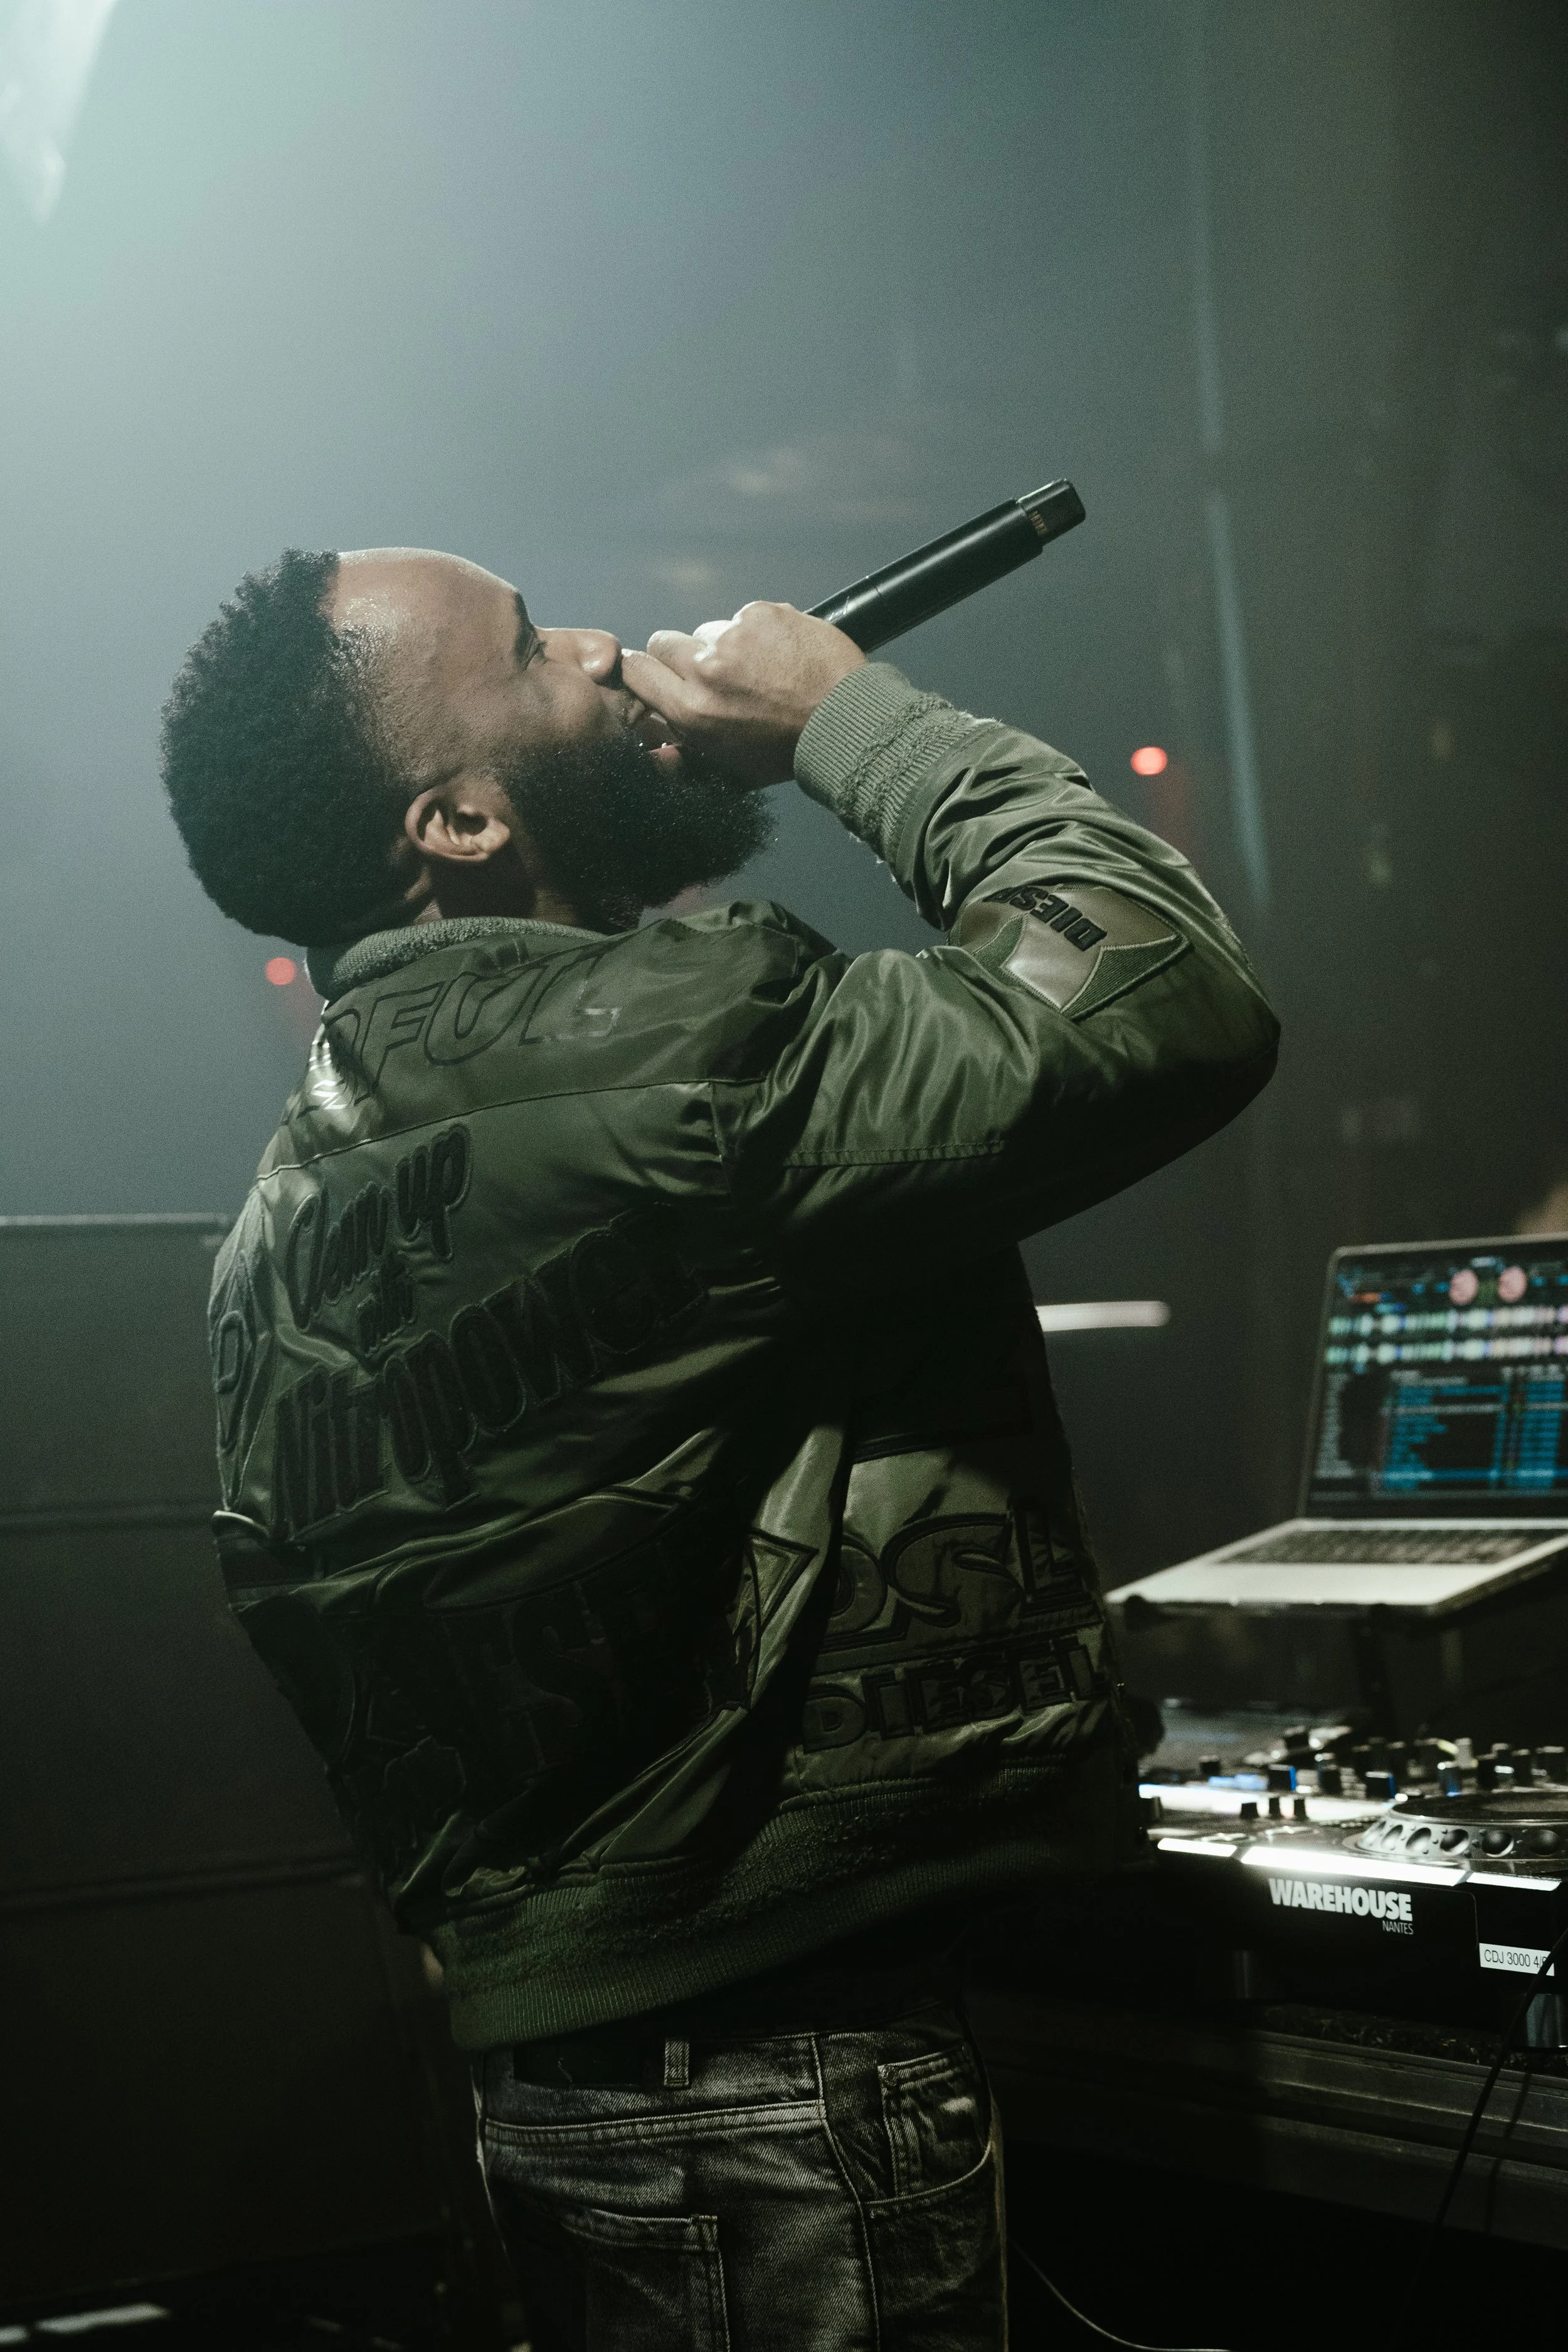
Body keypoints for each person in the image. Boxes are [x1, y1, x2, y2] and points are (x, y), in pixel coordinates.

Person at [162, 546, 1278, 2351]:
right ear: (458, 820)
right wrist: (851, 721)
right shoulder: (676, 1050)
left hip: (598, 2086)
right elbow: (1162, 997)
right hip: (786, 2092)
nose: (609, 649)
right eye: (535, 648)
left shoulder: (288, 1206)